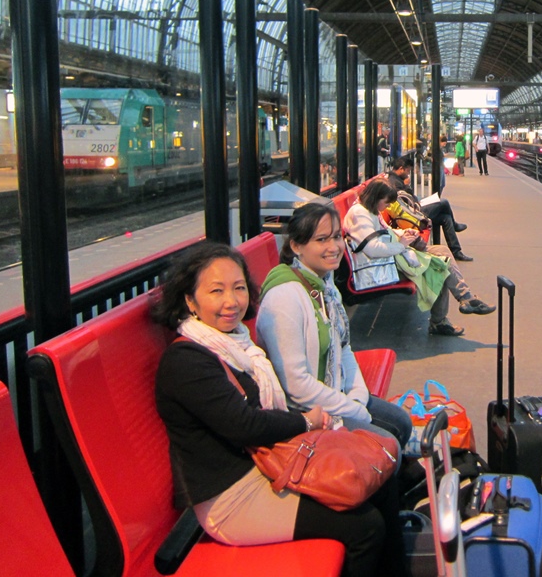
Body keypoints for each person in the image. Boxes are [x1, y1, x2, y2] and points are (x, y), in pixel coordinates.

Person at [152, 241, 406, 576]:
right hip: (232, 497)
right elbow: (245, 425)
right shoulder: (187, 360)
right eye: (216, 291)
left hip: (266, 465)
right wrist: (306, 422)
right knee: (365, 527)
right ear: (190, 301)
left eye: (238, 288)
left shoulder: (237, 344)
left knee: (378, 479)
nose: (231, 302)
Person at [256, 202, 413, 449]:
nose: (334, 247)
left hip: (335, 393)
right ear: (296, 246)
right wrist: (352, 409)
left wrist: (358, 397)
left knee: (402, 422)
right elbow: (296, 386)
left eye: (337, 237)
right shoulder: (284, 298)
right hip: (305, 412)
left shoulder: (326, 286)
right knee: (387, 445)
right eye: (321, 240)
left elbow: (344, 348)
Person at [343, 179, 494, 336]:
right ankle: (448, 314)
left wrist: (405, 233)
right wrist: (402, 244)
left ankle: (463, 301)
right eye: (386, 203)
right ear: (376, 197)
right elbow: (373, 249)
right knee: (439, 266)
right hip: (377, 270)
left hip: (388, 259)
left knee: (441, 252)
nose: (387, 207)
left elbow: (386, 230)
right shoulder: (360, 214)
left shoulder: (369, 210)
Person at [385, 156, 472, 261]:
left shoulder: (397, 180)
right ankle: (455, 226)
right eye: (407, 171)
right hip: (413, 215)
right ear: (401, 169)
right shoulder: (395, 183)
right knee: (443, 202)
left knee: (446, 218)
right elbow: (404, 202)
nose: (408, 174)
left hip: (414, 210)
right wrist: (407, 186)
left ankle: (456, 251)